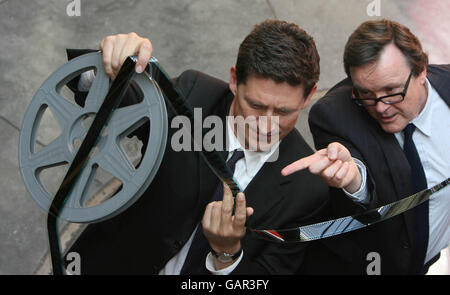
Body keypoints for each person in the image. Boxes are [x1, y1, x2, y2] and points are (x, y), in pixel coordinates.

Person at [64, 20, 366, 275]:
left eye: (284, 111)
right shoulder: (194, 96)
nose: (266, 125)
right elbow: (120, 100)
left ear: (308, 96)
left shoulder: (307, 186)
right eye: (256, 105)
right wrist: (109, 64)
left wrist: (227, 255)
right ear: (234, 80)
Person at [284, 19, 449, 274]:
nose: (380, 107)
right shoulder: (335, 114)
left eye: (391, 90)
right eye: (365, 94)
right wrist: (353, 181)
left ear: (421, 70)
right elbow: (357, 184)